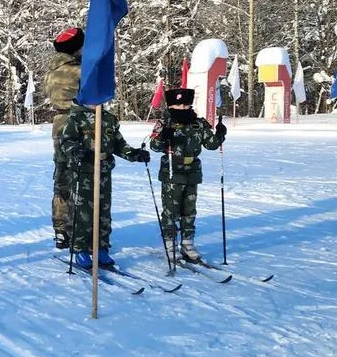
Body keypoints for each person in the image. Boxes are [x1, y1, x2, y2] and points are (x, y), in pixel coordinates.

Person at [57, 99, 150, 269]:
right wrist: (75, 151)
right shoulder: (75, 118)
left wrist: (135, 154)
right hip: (83, 171)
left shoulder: (108, 119)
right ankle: (80, 249)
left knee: (103, 211)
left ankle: (100, 247)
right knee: (82, 211)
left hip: (104, 172)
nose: (95, 101)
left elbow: (119, 144)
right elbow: (67, 141)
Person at [149, 87, 226, 263]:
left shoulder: (198, 123)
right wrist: (163, 137)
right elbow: (154, 146)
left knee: (189, 210)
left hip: (192, 172)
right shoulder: (164, 123)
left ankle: (187, 243)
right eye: (178, 106)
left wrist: (220, 133)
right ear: (171, 106)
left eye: (185, 105)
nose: (182, 108)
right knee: (171, 211)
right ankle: (170, 243)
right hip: (172, 171)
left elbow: (211, 145)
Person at [46, 27, 84, 249]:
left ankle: (61, 229)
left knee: (61, 177)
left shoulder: (52, 69)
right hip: (79, 123)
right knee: (82, 177)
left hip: (59, 124)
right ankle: (79, 227)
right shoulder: (78, 71)